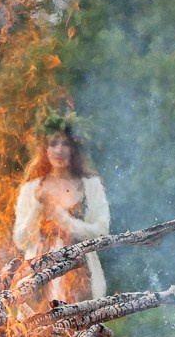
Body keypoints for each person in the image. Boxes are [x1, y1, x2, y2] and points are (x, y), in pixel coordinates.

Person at [12, 113, 110, 304]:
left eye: (66, 144)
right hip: (38, 282)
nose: (59, 150)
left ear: (74, 149)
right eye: (53, 143)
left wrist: (64, 220)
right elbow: (20, 240)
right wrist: (38, 208)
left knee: (81, 332)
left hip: (82, 284)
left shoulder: (91, 186)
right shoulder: (31, 189)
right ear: (45, 149)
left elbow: (101, 234)